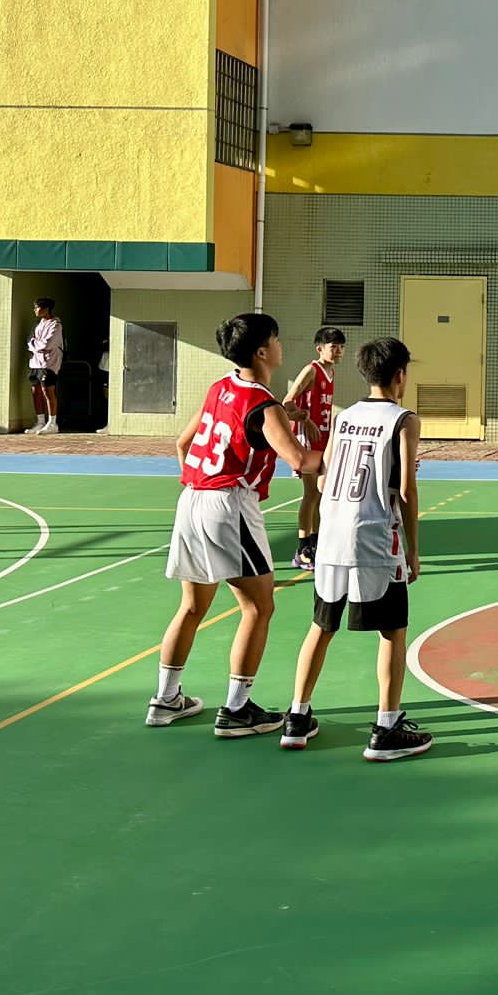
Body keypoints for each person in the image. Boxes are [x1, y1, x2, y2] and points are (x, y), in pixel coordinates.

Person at [146, 313, 319, 736]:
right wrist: (348, 450)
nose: (281, 345)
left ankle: (165, 700)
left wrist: (204, 482)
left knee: (192, 607)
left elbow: (183, 442)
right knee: (259, 607)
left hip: (192, 497)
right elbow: (301, 460)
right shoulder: (264, 404)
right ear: (262, 352)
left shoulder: (220, 387)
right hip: (228, 505)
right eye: (276, 339)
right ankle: (237, 709)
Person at [279, 337, 433, 762]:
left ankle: (297, 717)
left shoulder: (344, 416)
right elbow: (406, 491)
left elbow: (325, 477)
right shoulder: (404, 420)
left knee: (321, 626)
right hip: (374, 538)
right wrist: (414, 550)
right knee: (392, 631)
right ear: (400, 374)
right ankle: (386, 727)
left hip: (331, 536)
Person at [282, 326, 347, 571]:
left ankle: (316, 543)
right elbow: (287, 402)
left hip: (324, 437)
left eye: (341, 347)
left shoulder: (331, 372)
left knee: (321, 494)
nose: (338, 351)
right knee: (311, 494)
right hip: (308, 438)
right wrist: (305, 419)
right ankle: (302, 549)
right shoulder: (311, 370)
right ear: (320, 348)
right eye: (334, 347)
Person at [25, 297, 64, 435]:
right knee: (35, 391)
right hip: (35, 362)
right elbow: (29, 341)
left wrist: (35, 345)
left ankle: (52, 423)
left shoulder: (56, 325)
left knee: (47, 391)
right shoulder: (37, 324)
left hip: (49, 363)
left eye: (37, 307)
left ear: (46, 309)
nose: (35, 310)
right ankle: (40, 422)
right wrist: (35, 346)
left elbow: (48, 344)